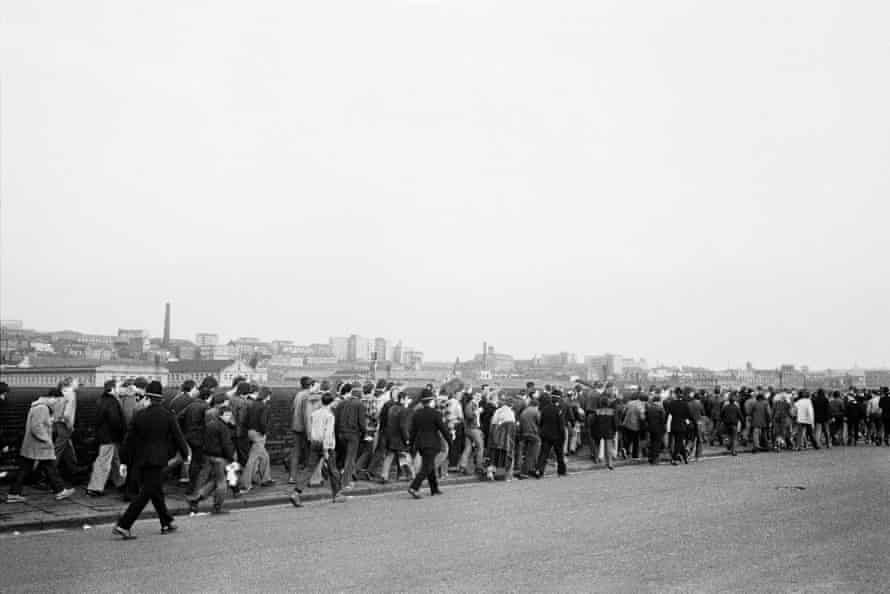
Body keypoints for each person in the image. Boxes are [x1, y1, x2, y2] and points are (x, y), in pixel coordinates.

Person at [113, 381, 190, 540]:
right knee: (146, 492)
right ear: (161, 398)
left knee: (156, 491)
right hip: (158, 460)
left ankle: (167, 522)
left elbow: (128, 440)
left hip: (140, 459)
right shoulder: (168, 415)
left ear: (147, 397)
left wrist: (124, 461)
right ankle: (124, 525)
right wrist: (185, 454)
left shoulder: (139, 415)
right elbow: (178, 437)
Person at [5, 388, 75, 503]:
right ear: (53, 398)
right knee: (48, 467)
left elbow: (39, 424)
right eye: (58, 401)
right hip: (39, 445)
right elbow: (36, 427)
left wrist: (49, 421)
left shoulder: (40, 406)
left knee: (30, 468)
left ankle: (14, 493)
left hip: (34, 446)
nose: (58, 403)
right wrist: (46, 440)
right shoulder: (42, 408)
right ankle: (60, 491)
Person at [290, 392, 346, 507]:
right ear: (331, 403)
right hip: (326, 445)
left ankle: (296, 493)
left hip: (314, 443)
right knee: (333, 470)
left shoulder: (314, 414)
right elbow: (328, 433)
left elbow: (311, 429)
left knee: (309, 469)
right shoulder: (330, 416)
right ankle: (337, 494)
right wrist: (325, 450)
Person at [188, 400, 236, 515]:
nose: (229, 417)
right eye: (227, 415)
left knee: (214, 481)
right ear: (221, 415)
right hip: (219, 458)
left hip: (209, 456)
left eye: (230, 415)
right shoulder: (223, 427)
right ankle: (217, 507)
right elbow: (226, 445)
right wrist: (231, 458)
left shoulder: (210, 424)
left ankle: (196, 498)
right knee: (222, 483)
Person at [407, 389, 452, 498]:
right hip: (432, 443)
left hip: (421, 444)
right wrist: (450, 442)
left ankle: (434, 488)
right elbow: (443, 429)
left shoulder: (417, 414)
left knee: (429, 465)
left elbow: (413, 431)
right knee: (427, 467)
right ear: (431, 401)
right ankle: (414, 487)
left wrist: (411, 445)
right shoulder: (436, 413)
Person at [86, 380, 127, 496]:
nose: (121, 389)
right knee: (103, 462)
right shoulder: (112, 401)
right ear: (112, 389)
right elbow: (115, 420)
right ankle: (95, 488)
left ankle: (121, 482)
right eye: (119, 387)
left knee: (115, 460)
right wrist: (121, 432)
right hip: (110, 437)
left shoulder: (101, 400)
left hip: (104, 435)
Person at [240, 386, 274, 492]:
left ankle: (266, 479)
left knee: (265, 456)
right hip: (258, 433)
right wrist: (264, 432)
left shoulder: (252, 404)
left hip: (250, 432)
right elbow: (263, 422)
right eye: (269, 395)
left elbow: (244, 420)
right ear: (267, 395)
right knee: (252, 459)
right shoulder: (264, 406)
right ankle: (245, 484)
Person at [335, 386, 366, 490]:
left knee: (344, 456)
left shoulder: (342, 403)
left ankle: (340, 476)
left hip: (341, 434)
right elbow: (362, 423)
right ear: (360, 396)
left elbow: (336, 419)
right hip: (353, 434)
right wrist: (364, 433)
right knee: (350, 458)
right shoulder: (360, 404)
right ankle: (345, 482)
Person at [379, 389, 414, 483]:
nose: (408, 401)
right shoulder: (404, 410)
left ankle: (384, 476)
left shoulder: (392, 408)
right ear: (402, 399)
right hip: (399, 437)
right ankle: (410, 475)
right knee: (404, 455)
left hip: (391, 436)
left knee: (390, 456)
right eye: (406, 399)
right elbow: (403, 426)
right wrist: (407, 439)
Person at [287, 376, 313, 482]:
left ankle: (292, 477)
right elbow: (306, 414)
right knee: (309, 453)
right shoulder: (308, 395)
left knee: (296, 452)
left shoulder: (298, 395)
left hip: (296, 426)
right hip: (305, 427)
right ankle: (308, 477)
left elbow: (292, 409)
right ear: (311, 385)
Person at [485, 394, 516, 481]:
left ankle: (490, 472)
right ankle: (507, 476)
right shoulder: (510, 413)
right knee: (508, 457)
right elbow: (511, 428)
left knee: (493, 457)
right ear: (511, 404)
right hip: (505, 439)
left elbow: (492, 424)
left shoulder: (498, 411)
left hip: (494, 438)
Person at [535, 394, 567, 478]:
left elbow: (541, 422)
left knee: (543, 454)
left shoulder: (544, 409)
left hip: (545, 435)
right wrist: (563, 436)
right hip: (556, 435)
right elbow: (561, 424)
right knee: (559, 454)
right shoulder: (558, 410)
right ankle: (561, 471)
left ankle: (539, 470)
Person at [458, 390, 484, 475]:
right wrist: (477, 412)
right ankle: (479, 467)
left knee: (468, 448)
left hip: (469, 429)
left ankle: (462, 466)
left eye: (480, 396)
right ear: (474, 396)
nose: (479, 398)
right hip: (472, 428)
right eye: (478, 396)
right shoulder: (471, 404)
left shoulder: (474, 404)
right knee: (480, 447)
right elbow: (469, 415)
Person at [516, 397, 541, 479]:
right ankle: (526, 471)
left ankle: (525, 469)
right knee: (532, 454)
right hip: (533, 434)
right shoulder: (535, 411)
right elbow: (540, 422)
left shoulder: (524, 411)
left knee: (527, 453)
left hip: (524, 434)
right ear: (536, 405)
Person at [645, 394, 667, 464]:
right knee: (657, 443)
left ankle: (650, 457)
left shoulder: (649, 408)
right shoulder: (660, 408)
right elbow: (663, 419)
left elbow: (646, 418)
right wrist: (664, 428)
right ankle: (655, 458)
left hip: (650, 428)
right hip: (658, 428)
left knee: (652, 442)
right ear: (659, 401)